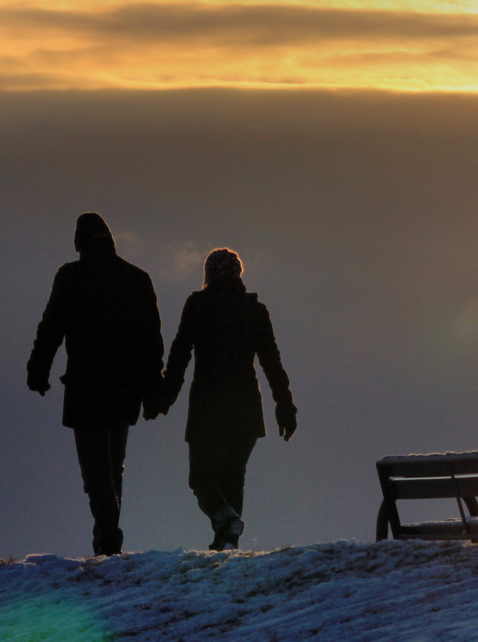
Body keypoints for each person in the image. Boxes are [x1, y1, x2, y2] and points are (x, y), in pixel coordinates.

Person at [27, 212, 163, 556]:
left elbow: (51, 327)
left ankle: (108, 536)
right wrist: (152, 390)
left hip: (86, 386)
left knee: (96, 471)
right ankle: (106, 539)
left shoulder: (71, 276)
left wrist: (38, 371)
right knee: (112, 466)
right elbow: (151, 342)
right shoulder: (137, 279)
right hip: (125, 388)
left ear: (78, 243)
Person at [149, 248, 296, 551]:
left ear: (208, 276)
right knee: (233, 478)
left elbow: (179, 355)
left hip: (208, 407)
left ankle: (225, 524)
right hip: (246, 409)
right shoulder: (255, 310)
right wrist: (284, 405)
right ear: (238, 275)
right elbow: (272, 362)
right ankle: (228, 540)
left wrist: (165, 399)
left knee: (201, 478)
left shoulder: (198, 305)